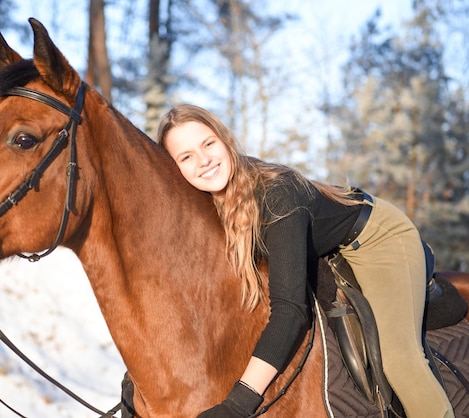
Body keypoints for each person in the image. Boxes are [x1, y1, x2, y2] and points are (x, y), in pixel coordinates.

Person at [156, 104, 454, 418]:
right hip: (330, 246)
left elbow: (290, 311)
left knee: (398, 358)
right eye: (186, 156)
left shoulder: (277, 194)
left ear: (225, 140)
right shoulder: (203, 206)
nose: (203, 161)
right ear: (173, 169)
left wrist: (236, 406)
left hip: (377, 237)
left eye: (208, 144)